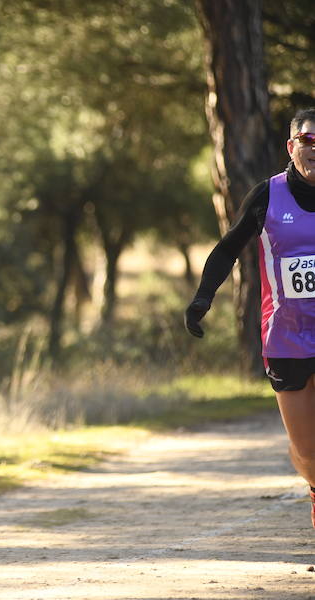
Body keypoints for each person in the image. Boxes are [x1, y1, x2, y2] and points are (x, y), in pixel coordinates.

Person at [184, 107, 315, 528]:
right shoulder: (267, 195)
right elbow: (227, 249)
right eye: (308, 140)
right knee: (308, 453)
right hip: (286, 339)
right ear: (292, 146)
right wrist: (203, 298)